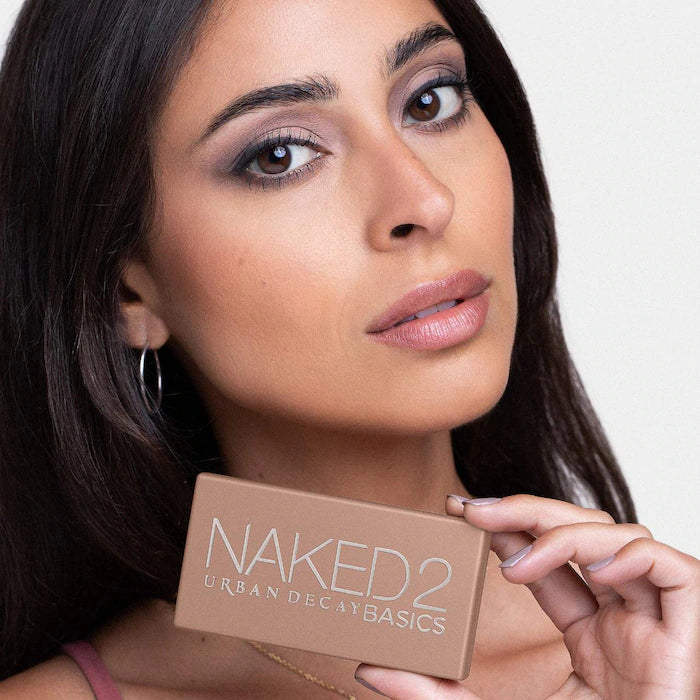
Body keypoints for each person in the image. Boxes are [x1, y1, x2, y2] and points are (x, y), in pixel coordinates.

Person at [0, 0, 697, 697]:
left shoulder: (672, 665)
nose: (424, 201)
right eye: (280, 155)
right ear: (125, 293)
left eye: (430, 101)